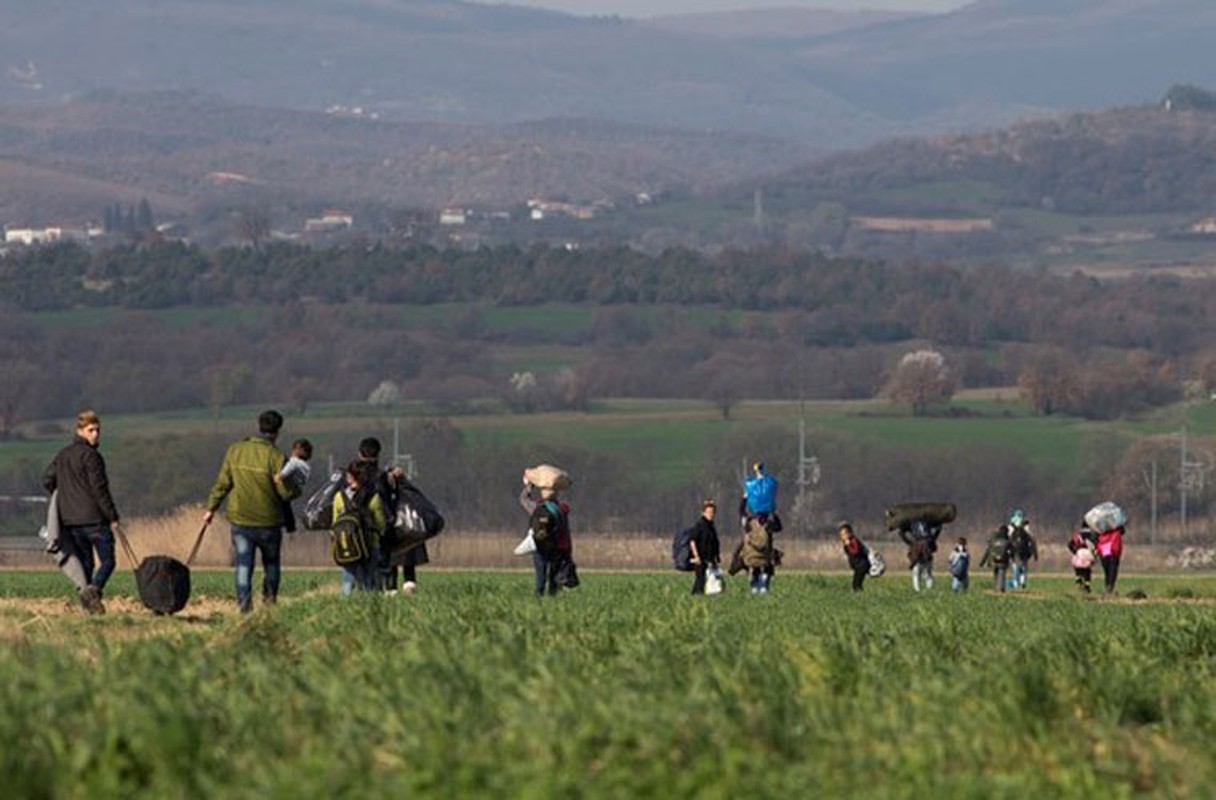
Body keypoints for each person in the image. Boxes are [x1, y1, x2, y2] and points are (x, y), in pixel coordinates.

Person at [203, 410, 300, 613]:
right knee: (271, 565)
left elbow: (223, 483)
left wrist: (211, 508)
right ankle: (269, 603)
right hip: (269, 522)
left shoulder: (235, 451)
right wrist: (296, 484)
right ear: (278, 431)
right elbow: (286, 493)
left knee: (243, 565)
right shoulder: (276, 457)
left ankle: (244, 607)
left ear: (258, 426)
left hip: (241, 521)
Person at [42, 409, 121, 614]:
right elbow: (99, 490)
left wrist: (65, 494)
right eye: (91, 430)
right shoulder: (92, 456)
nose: (96, 434)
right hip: (95, 520)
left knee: (86, 565)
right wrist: (112, 515)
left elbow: (47, 480)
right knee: (109, 561)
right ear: (80, 431)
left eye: (97, 430)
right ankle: (94, 591)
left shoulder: (62, 455)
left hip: (70, 521)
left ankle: (88, 608)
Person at [358, 437, 428, 595]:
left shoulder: (354, 476)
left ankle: (375, 588)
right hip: (387, 521)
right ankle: (405, 583)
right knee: (395, 550)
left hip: (361, 525)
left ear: (360, 454)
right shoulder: (385, 477)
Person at [332, 459, 385, 595]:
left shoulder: (339, 497)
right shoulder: (374, 497)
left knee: (348, 577)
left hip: (346, 544)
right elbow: (380, 524)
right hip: (370, 544)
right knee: (369, 578)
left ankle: (346, 601)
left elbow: (334, 523)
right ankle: (369, 604)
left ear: (350, 477)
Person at [520, 476, 573, 597]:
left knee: (540, 576)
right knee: (554, 578)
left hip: (540, 546)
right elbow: (566, 533)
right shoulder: (562, 510)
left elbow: (523, 499)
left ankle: (539, 599)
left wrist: (529, 486)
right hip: (557, 548)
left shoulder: (537, 507)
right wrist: (568, 552)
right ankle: (553, 599)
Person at [739, 461, 780, 593]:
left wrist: (745, 499)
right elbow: (779, 527)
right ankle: (763, 584)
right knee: (766, 568)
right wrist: (773, 511)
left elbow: (741, 512)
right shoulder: (769, 522)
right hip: (765, 555)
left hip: (752, 554)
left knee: (755, 567)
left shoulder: (749, 522)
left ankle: (754, 584)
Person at [279, 438, 313, 534]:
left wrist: (275, 477)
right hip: (296, 488)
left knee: (283, 502)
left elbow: (283, 474)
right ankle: (290, 525)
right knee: (286, 504)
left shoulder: (294, 462)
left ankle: (288, 523)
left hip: (289, 486)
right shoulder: (306, 465)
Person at [689, 499, 721, 595]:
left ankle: (701, 596)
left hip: (710, 558)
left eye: (712, 512)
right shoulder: (699, 526)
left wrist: (716, 558)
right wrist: (696, 556)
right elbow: (692, 541)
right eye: (709, 512)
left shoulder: (711, 527)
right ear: (703, 512)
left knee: (709, 580)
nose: (711, 514)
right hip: (700, 558)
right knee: (700, 580)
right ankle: (696, 596)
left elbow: (715, 543)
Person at [1007, 509, 1038, 590]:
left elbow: (1008, 536)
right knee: (1024, 566)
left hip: (1013, 551)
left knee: (1015, 566)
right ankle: (1023, 581)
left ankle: (1015, 582)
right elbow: (1031, 538)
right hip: (1024, 551)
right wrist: (1034, 553)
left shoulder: (1011, 524)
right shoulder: (1025, 525)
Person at [980, 526, 1013, 593]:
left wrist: (983, 562)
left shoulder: (993, 540)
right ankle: (1001, 588)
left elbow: (988, 551)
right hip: (1003, 561)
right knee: (1002, 574)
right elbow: (1012, 550)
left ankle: (995, 588)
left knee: (996, 574)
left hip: (993, 561)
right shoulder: (1007, 541)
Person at [839, 522, 869, 592]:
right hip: (857, 566)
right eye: (842, 535)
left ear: (850, 533)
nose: (844, 536)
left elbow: (856, 551)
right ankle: (859, 594)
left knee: (856, 583)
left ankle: (859, 595)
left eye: (845, 534)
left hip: (861, 565)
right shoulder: (847, 543)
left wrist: (849, 545)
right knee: (856, 583)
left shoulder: (854, 541)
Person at [1096, 521, 1125, 595]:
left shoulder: (1101, 534)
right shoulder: (1116, 532)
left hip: (1104, 555)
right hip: (1113, 554)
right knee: (1113, 573)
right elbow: (1122, 532)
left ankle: (1107, 588)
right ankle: (1110, 589)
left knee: (1107, 573)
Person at [1068, 522, 1097, 594]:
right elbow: (1096, 545)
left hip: (1079, 554)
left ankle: (1079, 583)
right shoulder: (1092, 535)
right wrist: (1095, 555)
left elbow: (1070, 544)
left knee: (1078, 570)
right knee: (1087, 571)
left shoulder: (1077, 535)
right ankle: (1087, 586)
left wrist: (1075, 551)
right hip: (1088, 554)